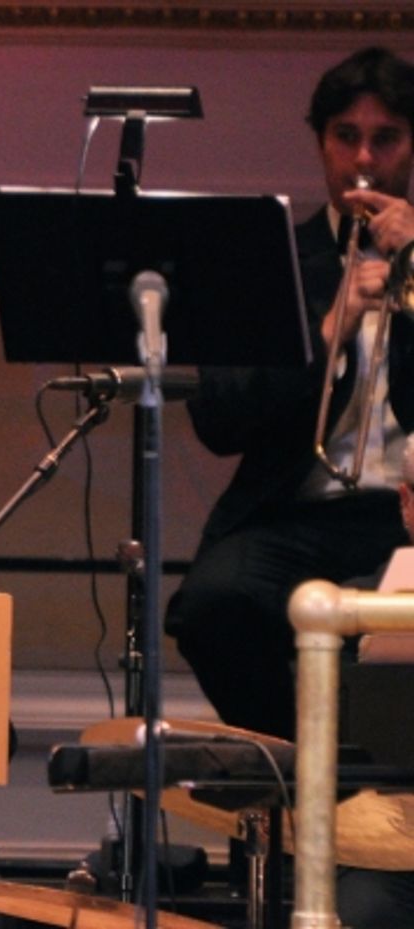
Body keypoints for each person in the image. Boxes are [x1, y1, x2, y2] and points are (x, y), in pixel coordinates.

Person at [166, 46, 414, 743]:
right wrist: (332, 326)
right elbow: (220, 419)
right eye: (345, 137)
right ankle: (315, 780)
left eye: (387, 138)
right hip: (301, 514)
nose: (364, 158)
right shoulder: (266, 259)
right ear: (319, 143)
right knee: (214, 603)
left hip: (409, 516)